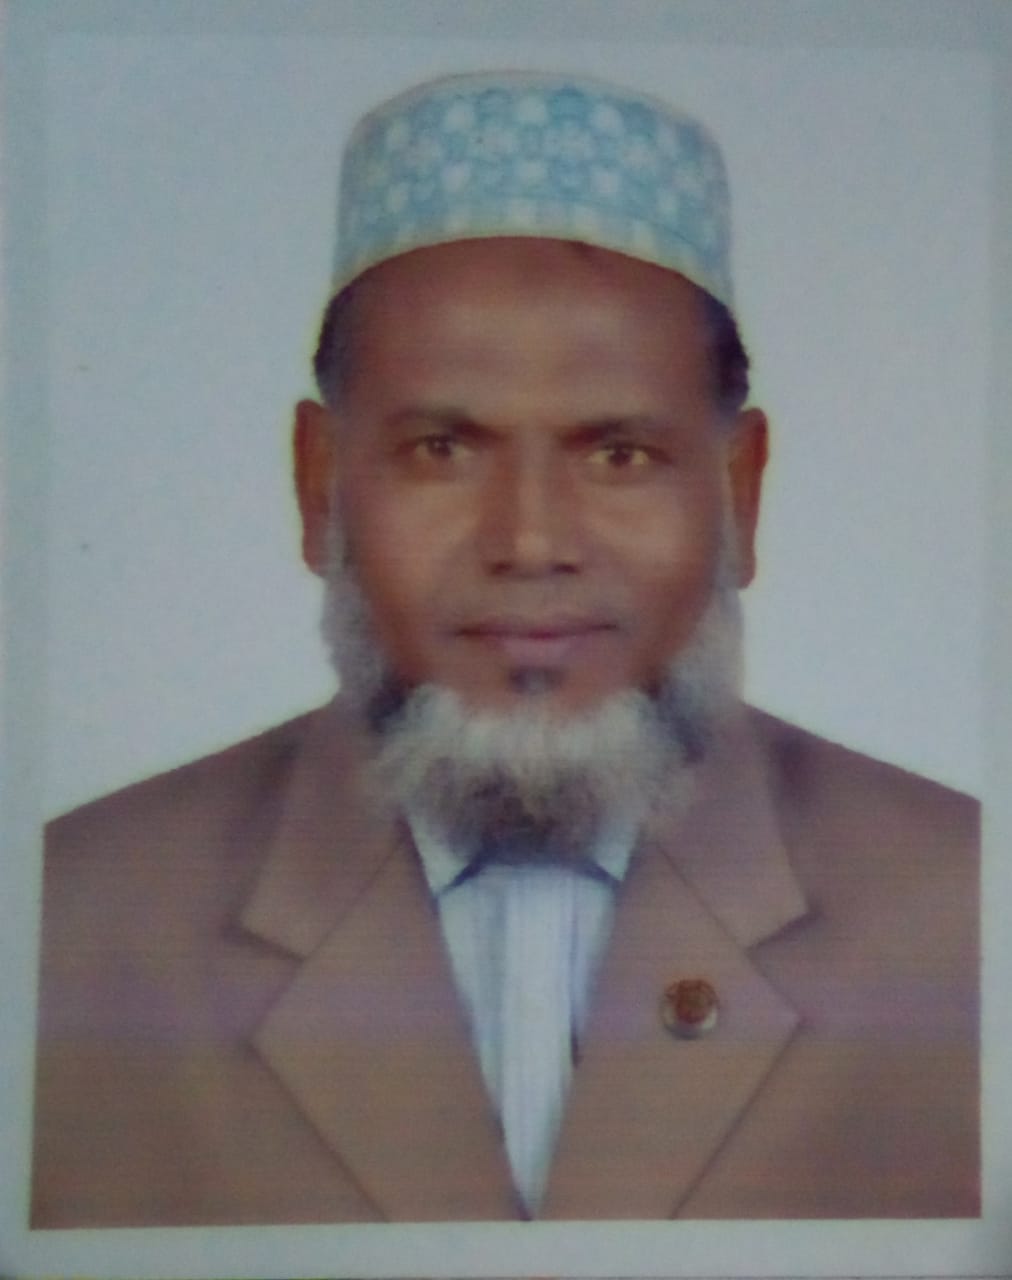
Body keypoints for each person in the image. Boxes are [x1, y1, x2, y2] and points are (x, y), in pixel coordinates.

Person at [31, 71, 979, 1227]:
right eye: (442, 448)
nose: (530, 541)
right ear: (319, 484)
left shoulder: (961, 907)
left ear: (739, 491)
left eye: (619, 454)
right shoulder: (73, 920)